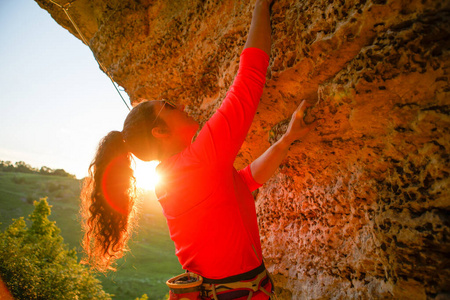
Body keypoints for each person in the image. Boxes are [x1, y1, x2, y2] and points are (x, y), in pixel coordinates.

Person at [81, 0, 315, 299]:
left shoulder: (174, 174)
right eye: (168, 107)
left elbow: (242, 183)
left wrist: (285, 142)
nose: (180, 105)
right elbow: (250, 78)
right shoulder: (198, 160)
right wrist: (260, 7)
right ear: (160, 131)